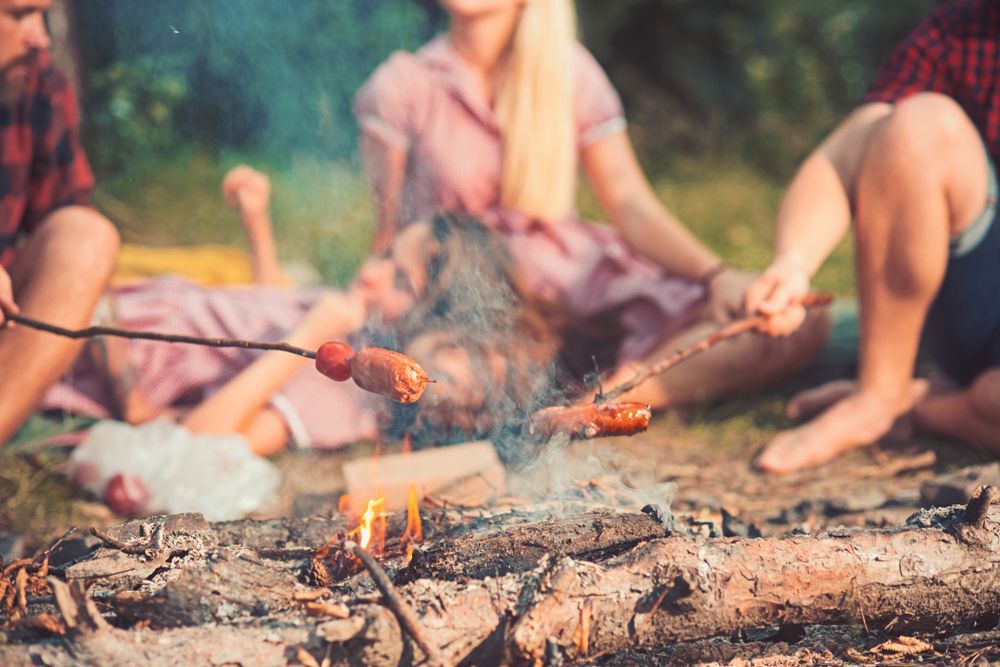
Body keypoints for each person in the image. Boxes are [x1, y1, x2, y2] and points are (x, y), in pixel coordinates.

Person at [354, 0, 830, 411]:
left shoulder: (569, 72)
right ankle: (539, 397)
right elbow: (389, 233)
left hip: (571, 287)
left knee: (795, 323)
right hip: (469, 300)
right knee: (445, 380)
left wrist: (717, 275)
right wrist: (367, 317)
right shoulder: (401, 84)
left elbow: (628, 200)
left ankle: (610, 399)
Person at [40, 166, 557, 455]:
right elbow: (271, 312)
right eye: (386, 254)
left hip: (97, 357)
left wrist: (314, 331)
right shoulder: (350, 321)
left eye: (400, 281)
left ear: (432, 320)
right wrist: (258, 226)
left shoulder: (347, 392)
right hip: (132, 310)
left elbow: (201, 440)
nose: (372, 272)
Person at [747, 0, 1000, 474]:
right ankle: (878, 392)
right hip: (977, 286)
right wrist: (793, 262)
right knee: (921, 122)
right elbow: (846, 152)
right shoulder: (958, 30)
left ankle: (916, 406)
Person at [0, 0, 120, 446]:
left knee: (87, 235)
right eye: (19, 15)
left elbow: (73, 227)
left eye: (42, 16)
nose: (40, 36)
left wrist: (129, 396)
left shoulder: (37, 82)